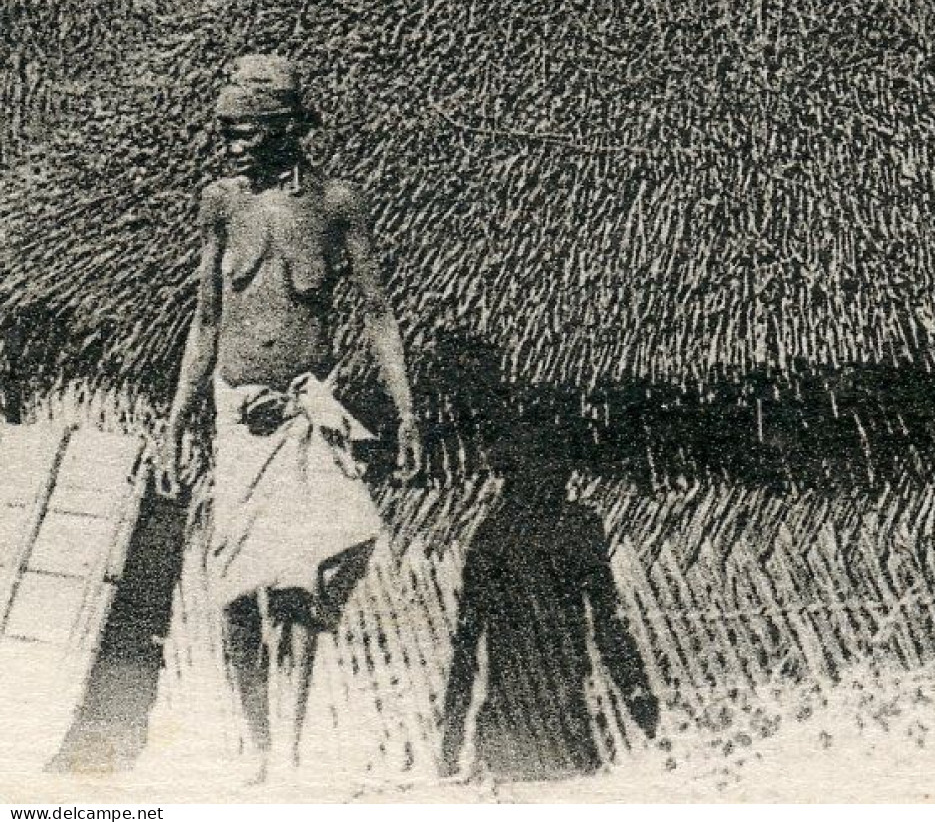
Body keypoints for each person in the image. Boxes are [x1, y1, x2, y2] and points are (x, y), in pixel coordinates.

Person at [157, 53, 422, 780]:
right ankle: (258, 744)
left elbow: (377, 315)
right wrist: (177, 422)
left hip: (305, 415)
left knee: (305, 578)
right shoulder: (221, 201)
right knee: (239, 589)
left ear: (286, 129)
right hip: (238, 422)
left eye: (244, 131)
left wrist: (406, 413)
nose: (230, 144)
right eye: (225, 131)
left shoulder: (336, 203)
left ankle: (295, 752)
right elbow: (206, 321)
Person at [440, 412, 659, 782]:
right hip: (564, 733)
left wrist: (451, 736)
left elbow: (465, 645)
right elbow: (608, 623)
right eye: (559, 468)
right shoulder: (579, 527)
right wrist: (637, 694)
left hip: (508, 738)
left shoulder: (490, 535)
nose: (564, 479)